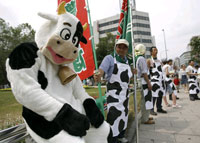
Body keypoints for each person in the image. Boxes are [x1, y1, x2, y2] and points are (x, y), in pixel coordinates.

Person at [94, 39, 134, 143]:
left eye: (124, 47)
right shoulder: (110, 58)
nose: (121, 49)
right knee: (113, 118)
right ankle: (112, 140)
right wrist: (99, 75)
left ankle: (121, 135)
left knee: (124, 116)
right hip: (114, 97)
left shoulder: (127, 61)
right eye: (119, 46)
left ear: (127, 49)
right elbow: (101, 70)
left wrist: (133, 73)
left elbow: (128, 78)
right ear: (115, 47)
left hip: (125, 96)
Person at [135, 44, 154, 124]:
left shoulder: (137, 58)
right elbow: (144, 72)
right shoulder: (142, 58)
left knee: (144, 100)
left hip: (141, 81)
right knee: (147, 100)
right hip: (144, 82)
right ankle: (145, 119)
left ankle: (145, 117)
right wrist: (149, 83)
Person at [147, 46, 167, 115]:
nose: (156, 51)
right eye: (154, 50)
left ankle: (159, 108)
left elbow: (161, 70)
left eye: (156, 50)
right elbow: (147, 71)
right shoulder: (149, 60)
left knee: (160, 94)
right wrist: (149, 81)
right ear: (151, 52)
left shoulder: (159, 61)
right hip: (154, 80)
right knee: (154, 95)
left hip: (161, 80)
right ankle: (151, 109)